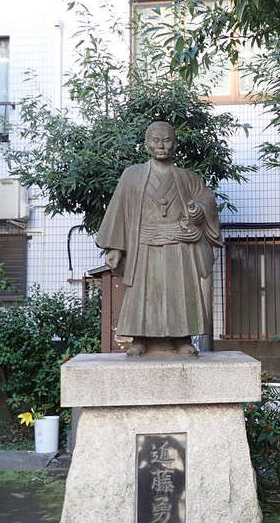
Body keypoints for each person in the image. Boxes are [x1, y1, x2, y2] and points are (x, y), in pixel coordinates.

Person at [95, 121, 222, 357]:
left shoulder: (187, 177)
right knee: (143, 293)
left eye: (167, 140)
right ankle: (139, 339)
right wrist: (116, 248)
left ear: (175, 145)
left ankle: (183, 339)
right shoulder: (132, 176)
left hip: (179, 244)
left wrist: (198, 211)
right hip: (144, 244)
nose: (161, 145)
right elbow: (120, 210)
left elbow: (207, 200)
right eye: (156, 140)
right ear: (146, 144)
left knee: (180, 291)